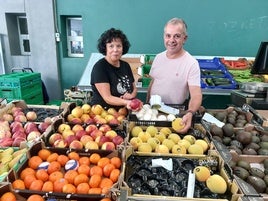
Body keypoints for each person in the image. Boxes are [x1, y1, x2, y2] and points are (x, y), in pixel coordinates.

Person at [147, 18, 202, 133]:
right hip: (153, 114)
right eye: (168, 36)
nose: (171, 40)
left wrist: (190, 112)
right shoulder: (158, 58)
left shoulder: (191, 63)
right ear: (164, 37)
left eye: (176, 36)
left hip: (175, 116)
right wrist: (146, 105)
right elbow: (153, 83)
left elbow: (196, 94)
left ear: (184, 38)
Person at [90, 28, 138, 110]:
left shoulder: (125, 66)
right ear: (105, 48)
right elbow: (107, 98)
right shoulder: (100, 67)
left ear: (123, 48)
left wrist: (131, 96)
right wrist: (128, 102)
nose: (115, 50)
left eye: (118, 46)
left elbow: (134, 88)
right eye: (111, 46)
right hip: (104, 115)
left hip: (123, 112)